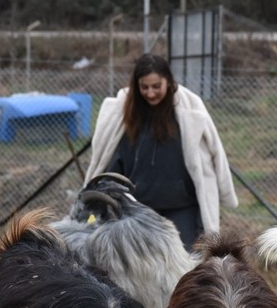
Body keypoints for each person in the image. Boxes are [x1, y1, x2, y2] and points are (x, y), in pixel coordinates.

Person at [86, 53, 238, 249]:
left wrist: (222, 192)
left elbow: (214, 152)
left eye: (156, 86)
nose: (150, 93)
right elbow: (112, 162)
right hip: (137, 212)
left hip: (183, 209)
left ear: (168, 82)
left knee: (183, 269)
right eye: (144, 87)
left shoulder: (188, 111)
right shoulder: (124, 115)